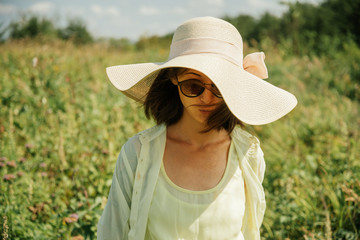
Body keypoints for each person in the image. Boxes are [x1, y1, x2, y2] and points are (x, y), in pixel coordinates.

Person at [97, 16, 297, 240]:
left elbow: (251, 230)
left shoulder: (249, 153)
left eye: (219, 86)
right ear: (174, 77)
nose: (207, 98)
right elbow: (111, 233)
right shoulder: (137, 152)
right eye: (194, 85)